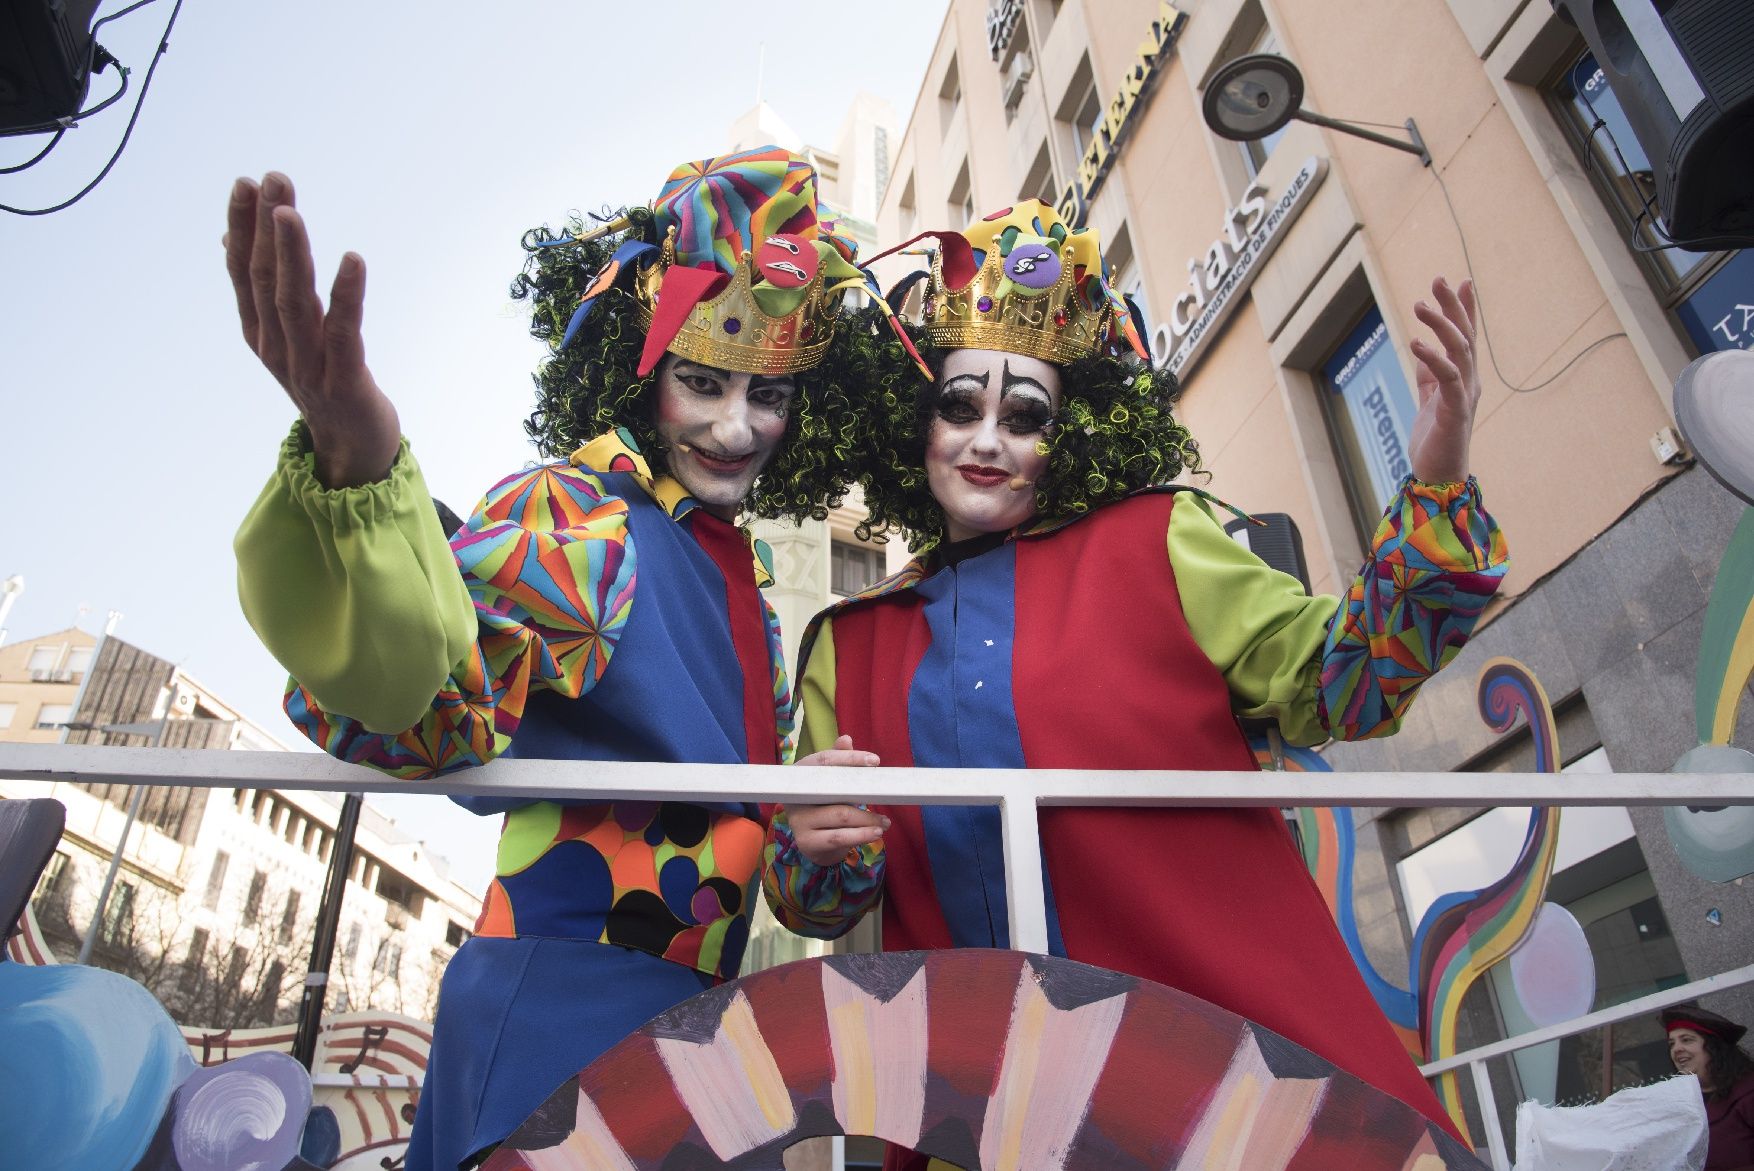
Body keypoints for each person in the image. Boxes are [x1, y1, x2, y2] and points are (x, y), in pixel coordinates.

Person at [762, 200, 1508, 1157]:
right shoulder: (847, 642)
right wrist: (816, 849)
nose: (987, 440)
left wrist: (1436, 483)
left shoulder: (1162, 538)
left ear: (1071, 435)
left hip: (1227, 1082)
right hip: (979, 1113)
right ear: (915, 423)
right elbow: (818, 904)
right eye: (959, 406)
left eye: (1025, 416)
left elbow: (1346, 683)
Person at [229, 146, 885, 1171]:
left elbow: (777, 877)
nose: (734, 426)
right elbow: (428, 701)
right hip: (562, 1017)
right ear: (638, 369)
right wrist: (362, 480)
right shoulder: (583, 511)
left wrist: (818, 829)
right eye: (702, 382)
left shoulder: (746, 589)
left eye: (769, 396)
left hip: (705, 1036)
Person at [1666, 1004, 1754, 1170]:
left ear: (1714, 1048)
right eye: (1672, 1043)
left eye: (1686, 1040)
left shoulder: (1749, 1092)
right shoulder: (1683, 1108)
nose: (1676, 1049)